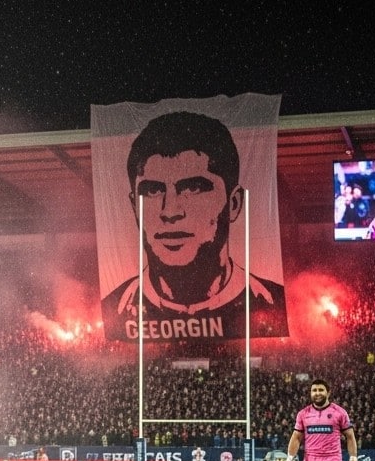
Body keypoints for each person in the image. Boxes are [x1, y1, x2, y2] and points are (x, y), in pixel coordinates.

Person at [101, 111, 287, 342]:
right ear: (134, 208)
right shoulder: (113, 309)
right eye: (152, 190)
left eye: (193, 188)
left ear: (234, 203)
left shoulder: (272, 302)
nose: (170, 211)